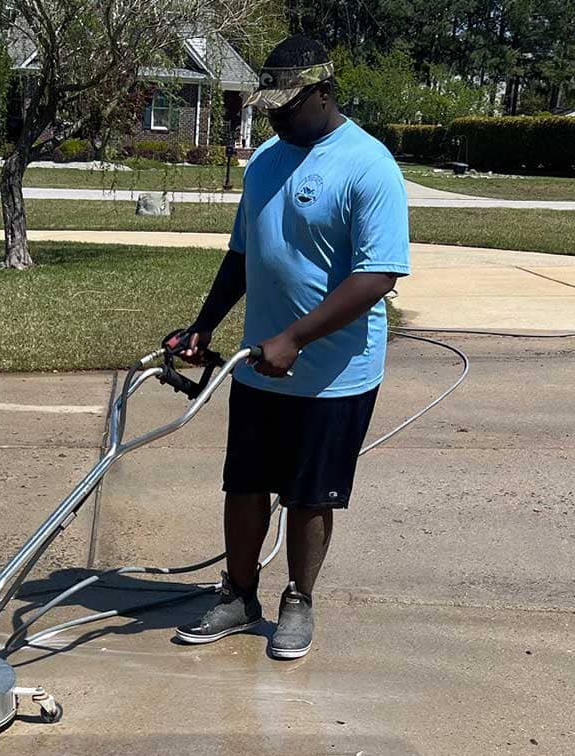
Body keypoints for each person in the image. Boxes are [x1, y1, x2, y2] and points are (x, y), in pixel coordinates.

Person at [164, 34, 410, 661]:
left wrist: (297, 338)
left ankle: (298, 599)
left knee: (309, 494)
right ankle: (238, 593)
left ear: (324, 93)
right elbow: (243, 255)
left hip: (335, 373)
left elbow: (378, 275)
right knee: (243, 484)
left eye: (288, 103)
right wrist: (204, 326)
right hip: (257, 365)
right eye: (268, 105)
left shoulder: (368, 164)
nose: (274, 115)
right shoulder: (266, 161)